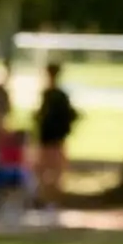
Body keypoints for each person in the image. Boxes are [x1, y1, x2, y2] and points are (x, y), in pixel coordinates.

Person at [33, 61, 79, 218]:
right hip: (51, 139)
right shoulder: (53, 94)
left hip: (52, 139)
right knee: (49, 171)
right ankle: (47, 200)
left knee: (50, 171)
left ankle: (50, 200)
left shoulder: (55, 95)